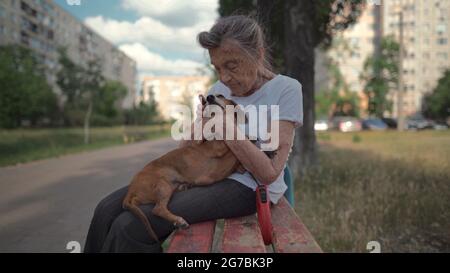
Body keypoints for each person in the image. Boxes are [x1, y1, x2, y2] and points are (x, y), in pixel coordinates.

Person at [83, 15, 303, 253]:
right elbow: (188, 151)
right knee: (105, 210)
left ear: (258, 54)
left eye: (231, 65)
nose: (224, 78)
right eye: (217, 68)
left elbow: (269, 172)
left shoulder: (286, 89)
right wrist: (196, 129)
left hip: (246, 187)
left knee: (130, 226)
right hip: (202, 174)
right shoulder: (218, 90)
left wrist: (226, 127)